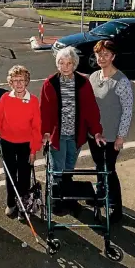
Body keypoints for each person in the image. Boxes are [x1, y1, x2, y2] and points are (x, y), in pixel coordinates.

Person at [40, 47, 106, 212]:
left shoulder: (83, 82)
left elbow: (91, 108)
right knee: (58, 170)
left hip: (76, 135)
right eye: (62, 63)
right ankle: (55, 202)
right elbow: (45, 110)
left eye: (69, 63)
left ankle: (68, 198)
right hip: (58, 135)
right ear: (58, 64)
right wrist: (45, 132)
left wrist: (97, 131)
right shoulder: (50, 83)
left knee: (69, 169)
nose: (65, 66)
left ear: (74, 64)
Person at [88, 40, 134, 223]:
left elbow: (127, 110)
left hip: (112, 137)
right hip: (95, 136)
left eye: (106, 54)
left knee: (109, 171)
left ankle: (115, 207)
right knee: (99, 167)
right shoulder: (93, 77)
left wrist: (120, 137)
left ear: (113, 57)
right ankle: (100, 196)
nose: (102, 57)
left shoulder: (121, 81)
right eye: (99, 54)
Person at [0, 65, 42, 221]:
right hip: (7, 142)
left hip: (25, 144)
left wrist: (33, 150)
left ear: (26, 82)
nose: (18, 84)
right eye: (15, 80)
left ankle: (23, 206)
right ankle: (11, 203)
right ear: (10, 83)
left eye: (21, 80)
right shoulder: (5, 98)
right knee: (10, 175)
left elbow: (36, 128)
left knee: (24, 176)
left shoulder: (33, 101)